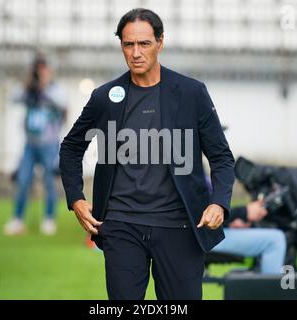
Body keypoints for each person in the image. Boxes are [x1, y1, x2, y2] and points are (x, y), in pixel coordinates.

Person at [60, 8, 235, 300]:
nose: (136, 52)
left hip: (180, 226)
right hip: (121, 225)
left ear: (160, 42)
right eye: (128, 44)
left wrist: (219, 202)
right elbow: (71, 147)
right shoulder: (106, 97)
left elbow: (221, 157)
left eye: (144, 44)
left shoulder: (192, 93)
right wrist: (76, 199)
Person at [4, 56, 67, 236]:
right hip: (30, 145)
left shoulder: (55, 89)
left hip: (49, 144)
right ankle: (17, 219)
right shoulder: (28, 90)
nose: (41, 73)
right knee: (23, 180)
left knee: (49, 182)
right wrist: (27, 84)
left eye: (43, 69)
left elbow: (62, 103)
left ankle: (49, 219)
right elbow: (12, 98)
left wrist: (45, 86)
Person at [211, 200, 287, 274]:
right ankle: (271, 286)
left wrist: (229, 222)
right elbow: (203, 215)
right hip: (207, 236)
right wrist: (244, 211)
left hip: (214, 231)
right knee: (275, 240)